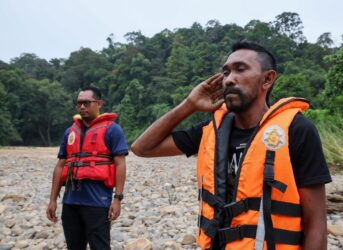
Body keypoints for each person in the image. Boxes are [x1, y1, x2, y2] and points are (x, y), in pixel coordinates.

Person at [131, 40, 332, 250]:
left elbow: (316, 224)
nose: (229, 79)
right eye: (226, 72)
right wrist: (190, 105)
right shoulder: (212, 130)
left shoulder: (296, 130)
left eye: (240, 69)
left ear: (267, 79)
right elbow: (142, 148)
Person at [46, 86, 128, 250]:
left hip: (98, 202)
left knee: (100, 247)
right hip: (70, 202)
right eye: (79, 104)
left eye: (86, 103)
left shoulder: (112, 130)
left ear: (98, 103)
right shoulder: (70, 132)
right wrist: (53, 200)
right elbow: (60, 166)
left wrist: (117, 199)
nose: (82, 107)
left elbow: (120, 164)